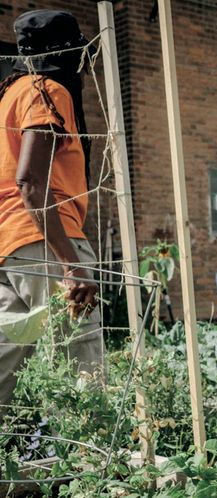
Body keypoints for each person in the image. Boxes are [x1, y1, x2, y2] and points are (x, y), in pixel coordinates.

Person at [0, 10, 102, 406]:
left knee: (8, 353)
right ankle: (90, 462)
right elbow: (29, 181)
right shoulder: (47, 91)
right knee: (82, 358)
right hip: (45, 240)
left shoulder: (9, 94)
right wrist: (71, 264)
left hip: (10, 246)